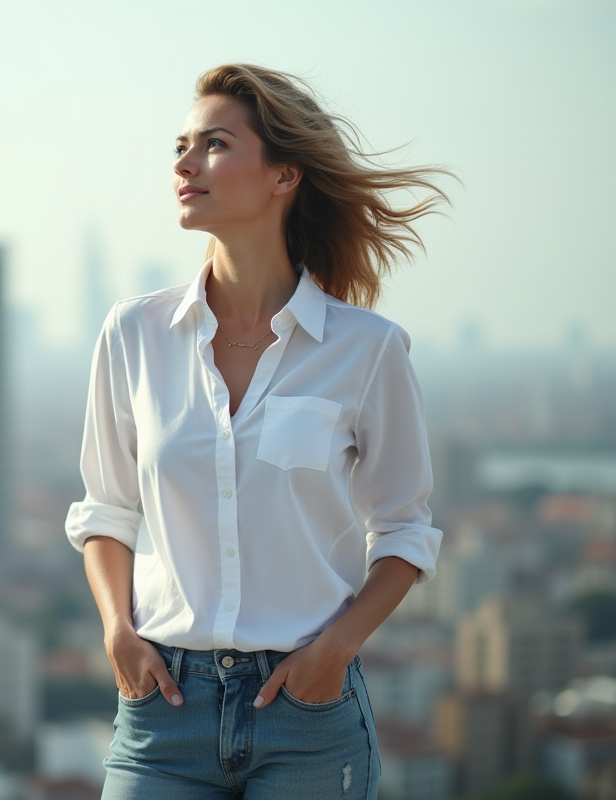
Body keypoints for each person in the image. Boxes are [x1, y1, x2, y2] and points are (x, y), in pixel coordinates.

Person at [64, 63, 450, 800]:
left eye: (213, 144)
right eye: (180, 145)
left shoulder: (367, 349)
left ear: (283, 177)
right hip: (163, 714)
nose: (183, 164)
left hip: (307, 712)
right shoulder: (133, 334)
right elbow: (107, 512)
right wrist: (118, 629)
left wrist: (335, 649)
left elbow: (404, 530)